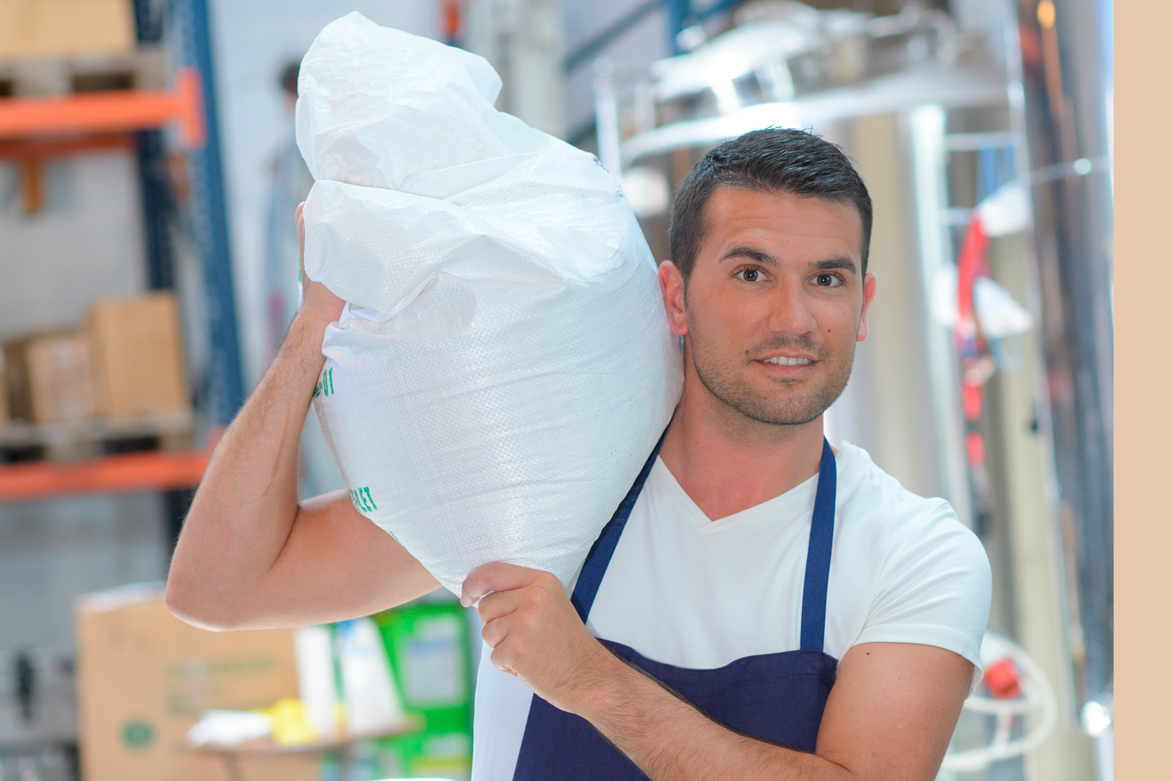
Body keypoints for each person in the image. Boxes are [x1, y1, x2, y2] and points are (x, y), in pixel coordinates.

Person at [166, 128, 990, 781]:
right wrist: (317, 322)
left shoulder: (912, 554)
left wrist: (587, 679)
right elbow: (219, 587)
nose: (794, 318)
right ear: (675, 296)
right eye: (750, 274)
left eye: (828, 280)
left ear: (865, 303)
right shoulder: (544, 481)